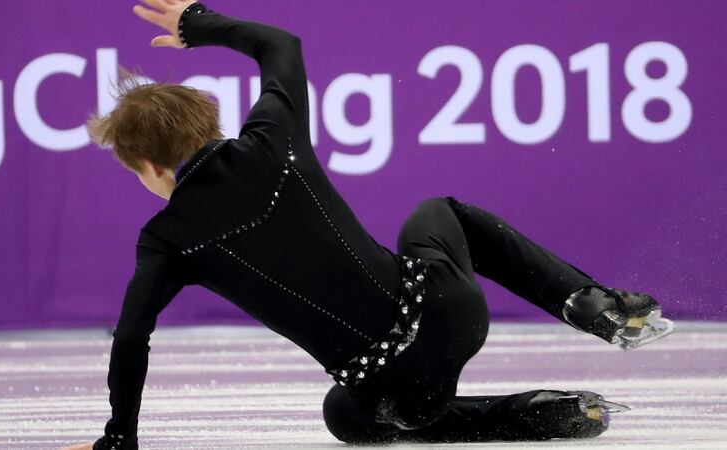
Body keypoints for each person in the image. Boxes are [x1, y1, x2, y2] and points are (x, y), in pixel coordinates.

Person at [62, 1, 674, 448]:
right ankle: (592, 304)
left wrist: (119, 439)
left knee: (349, 415)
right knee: (437, 213)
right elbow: (281, 45)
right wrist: (199, 23)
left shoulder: (166, 239)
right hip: (452, 316)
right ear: (208, 123)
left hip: (395, 392)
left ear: (147, 167)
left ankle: (542, 415)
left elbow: (131, 337)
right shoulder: (272, 138)